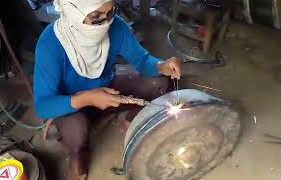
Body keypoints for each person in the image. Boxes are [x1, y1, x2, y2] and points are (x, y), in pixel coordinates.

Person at [34, 0, 182, 179]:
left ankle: (131, 123)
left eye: (110, 13)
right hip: (71, 104)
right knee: (76, 132)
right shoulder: (50, 43)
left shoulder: (116, 26)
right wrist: (88, 98)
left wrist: (160, 66)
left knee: (158, 83)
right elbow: (43, 105)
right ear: (74, 13)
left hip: (108, 90)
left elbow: (142, 61)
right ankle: (76, 163)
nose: (105, 23)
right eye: (96, 18)